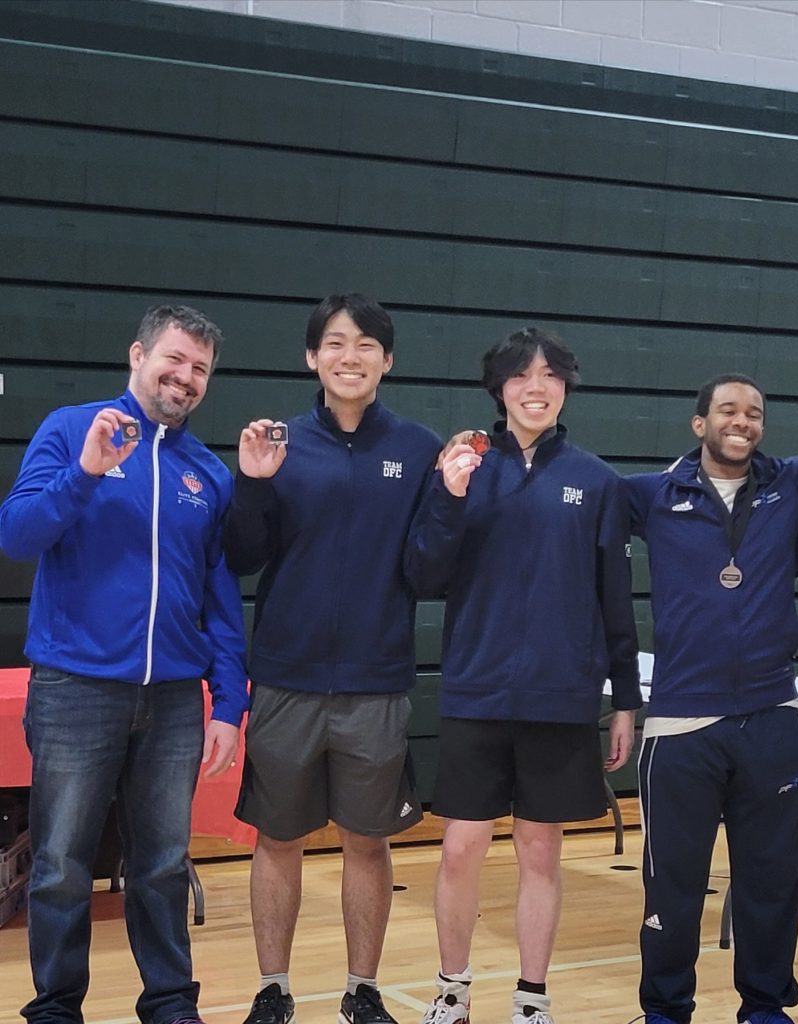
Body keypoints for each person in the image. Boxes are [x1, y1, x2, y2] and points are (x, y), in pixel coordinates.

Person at [0, 305, 248, 1024]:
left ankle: (170, 1003)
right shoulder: (71, 430)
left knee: (163, 864)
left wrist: (230, 702)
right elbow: (16, 536)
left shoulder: (208, 473)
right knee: (60, 866)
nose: (185, 377)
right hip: (75, 689)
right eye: (174, 359)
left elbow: (220, 598)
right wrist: (84, 474)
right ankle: (55, 1007)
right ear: (137, 355)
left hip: (173, 700)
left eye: (200, 368)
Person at [404, 327, 641, 1024]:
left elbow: (615, 600)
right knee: (459, 848)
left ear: (565, 388)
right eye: (521, 375)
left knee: (541, 850)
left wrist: (625, 700)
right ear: (499, 388)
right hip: (476, 690)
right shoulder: (462, 467)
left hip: (559, 696)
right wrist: (448, 496)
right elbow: (424, 573)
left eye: (550, 375)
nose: (536, 388)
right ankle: (452, 990)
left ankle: (532, 998)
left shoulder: (597, 482)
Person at [222, 294, 442, 1024]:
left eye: (366, 344)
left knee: (367, 842)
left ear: (387, 360)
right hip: (286, 678)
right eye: (336, 343)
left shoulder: (418, 448)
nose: (351, 356)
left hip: (375, 683)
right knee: (277, 837)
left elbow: (428, 569)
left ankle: (362, 990)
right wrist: (252, 482)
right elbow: (242, 556)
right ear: (312, 357)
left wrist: (452, 498)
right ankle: (273, 989)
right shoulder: (278, 444)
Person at [626, 373, 798, 1024]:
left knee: (772, 881)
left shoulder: (790, 484)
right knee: (672, 887)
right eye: (728, 410)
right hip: (681, 722)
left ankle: (764, 1007)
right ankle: (664, 1011)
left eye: (754, 413)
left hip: (770, 716)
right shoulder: (653, 494)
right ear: (698, 422)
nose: (742, 421)